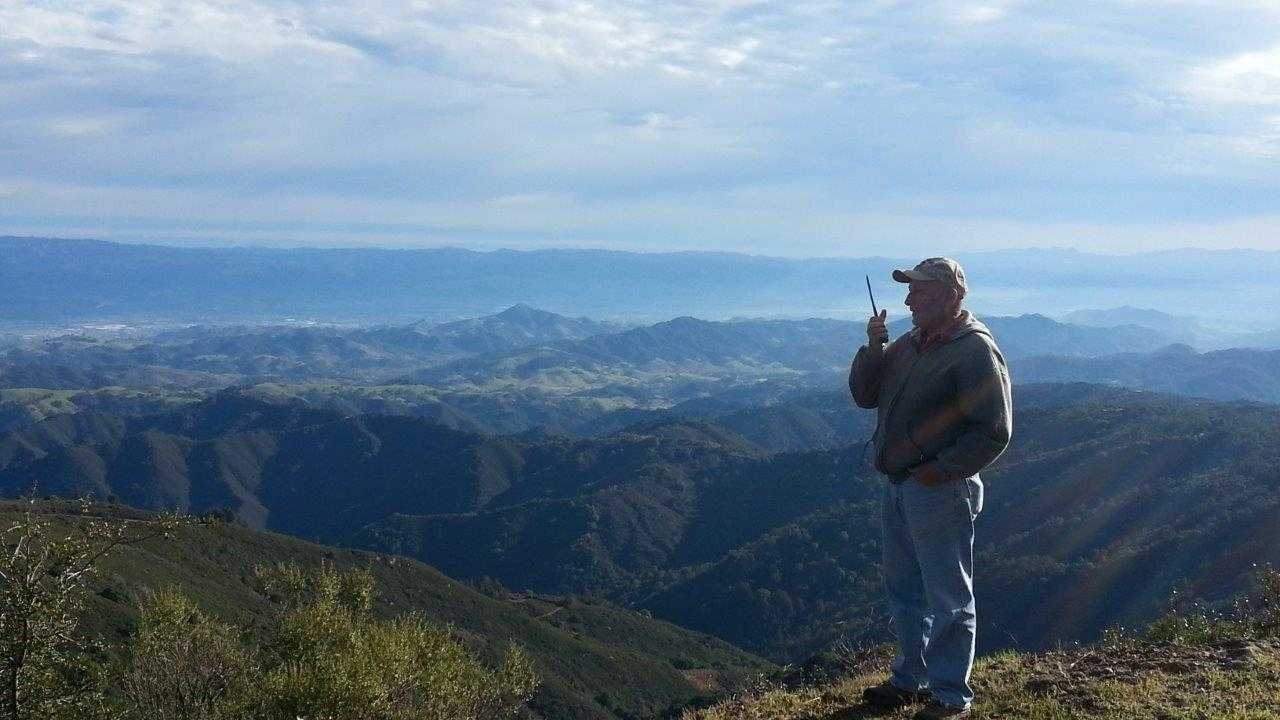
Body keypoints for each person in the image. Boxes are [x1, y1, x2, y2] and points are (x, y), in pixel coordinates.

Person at [848, 257, 1012, 719]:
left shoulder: (974, 351)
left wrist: (940, 471)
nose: (907, 301)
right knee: (903, 587)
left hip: (938, 490)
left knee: (947, 595)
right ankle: (910, 677)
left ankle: (949, 695)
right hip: (900, 486)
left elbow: (994, 431)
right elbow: (864, 396)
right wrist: (873, 348)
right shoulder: (910, 344)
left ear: (949, 296)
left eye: (917, 292)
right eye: (908, 291)